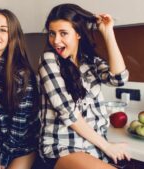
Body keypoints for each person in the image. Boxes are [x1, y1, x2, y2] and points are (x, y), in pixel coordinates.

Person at [38, 3, 130, 169]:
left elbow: (119, 79)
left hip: (94, 149)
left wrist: (108, 33)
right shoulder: (49, 60)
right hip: (64, 147)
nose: (56, 40)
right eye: (52, 33)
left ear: (78, 33)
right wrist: (108, 147)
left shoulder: (89, 61)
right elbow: (69, 113)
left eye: (63, 33)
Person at [0, 9, 39, 169]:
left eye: (3, 30)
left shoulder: (20, 74)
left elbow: (20, 127)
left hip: (24, 144)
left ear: (12, 37)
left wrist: (2, 160)